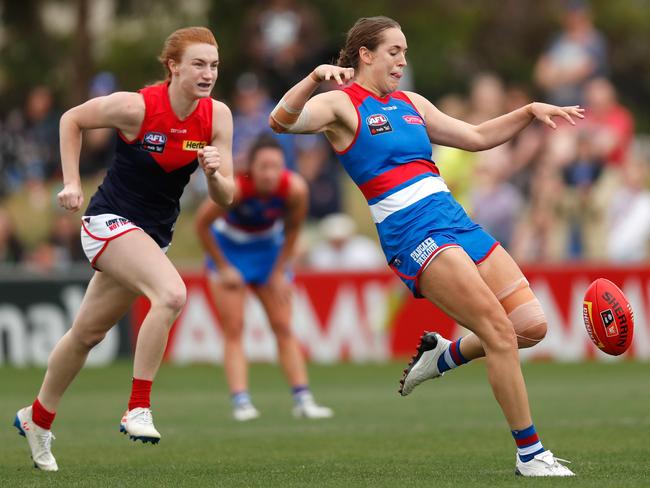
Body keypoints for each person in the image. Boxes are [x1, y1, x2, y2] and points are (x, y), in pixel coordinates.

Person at [269, 16, 583, 477]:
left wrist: (529, 111)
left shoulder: (411, 102)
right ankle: (530, 454)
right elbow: (282, 121)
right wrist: (313, 79)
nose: (402, 60)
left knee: (530, 326)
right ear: (365, 54)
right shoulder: (340, 103)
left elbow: (475, 138)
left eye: (405, 52)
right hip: (413, 231)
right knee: (498, 332)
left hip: (455, 220)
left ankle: (445, 355)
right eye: (394, 51)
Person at [13, 26, 234, 472]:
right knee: (171, 294)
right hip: (107, 222)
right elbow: (70, 119)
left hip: (152, 236)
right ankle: (137, 407)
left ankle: (37, 418)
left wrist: (213, 172)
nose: (207, 73)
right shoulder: (137, 106)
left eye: (212, 65)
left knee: (87, 335)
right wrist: (72, 182)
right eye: (197, 64)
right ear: (172, 66)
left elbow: (225, 197)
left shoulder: (218, 117)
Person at [195, 135, 332, 421]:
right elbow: (202, 225)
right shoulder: (236, 188)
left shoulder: (294, 189)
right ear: (251, 167)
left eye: (276, 166)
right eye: (264, 167)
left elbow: (293, 231)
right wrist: (223, 267)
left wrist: (280, 271)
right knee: (235, 328)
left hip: (268, 250)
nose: (270, 173)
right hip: (230, 250)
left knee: (283, 325)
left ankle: (303, 399)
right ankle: (241, 402)